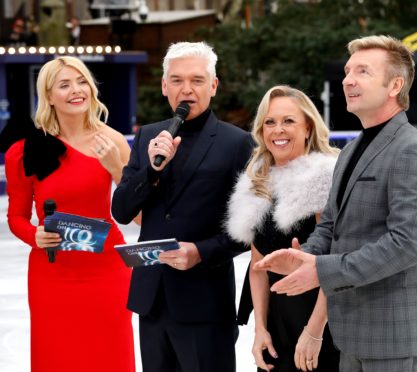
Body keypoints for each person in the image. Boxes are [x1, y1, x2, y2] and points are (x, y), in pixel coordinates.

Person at [255, 35, 417, 372]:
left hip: (396, 337)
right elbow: (331, 224)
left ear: (395, 85)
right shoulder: (351, 151)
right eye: (347, 71)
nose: (348, 80)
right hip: (353, 335)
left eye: (363, 71)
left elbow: (406, 245)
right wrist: (307, 255)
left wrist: (321, 270)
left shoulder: (411, 150)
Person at [111, 41, 253, 372]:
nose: (186, 89)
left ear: (213, 85)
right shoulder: (147, 137)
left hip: (205, 303)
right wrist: (152, 170)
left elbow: (249, 229)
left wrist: (200, 252)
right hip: (153, 300)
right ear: (164, 86)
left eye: (197, 80)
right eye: (176, 80)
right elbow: (121, 210)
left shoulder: (237, 143)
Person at [2, 56, 135, 372]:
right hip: (53, 274)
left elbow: (139, 213)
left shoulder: (113, 141)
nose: (77, 90)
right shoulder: (24, 151)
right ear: (48, 96)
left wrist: (117, 167)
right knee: (58, 357)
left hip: (107, 270)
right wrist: (34, 236)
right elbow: (16, 217)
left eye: (81, 82)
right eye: (64, 84)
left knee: (111, 356)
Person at [226, 85, 341, 371]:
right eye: (270, 122)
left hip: (322, 323)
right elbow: (257, 266)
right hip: (277, 328)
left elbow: (335, 265)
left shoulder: (324, 177)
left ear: (308, 129)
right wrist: (260, 329)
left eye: (289, 121)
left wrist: (314, 331)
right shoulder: (257, 182)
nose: (278, 130)